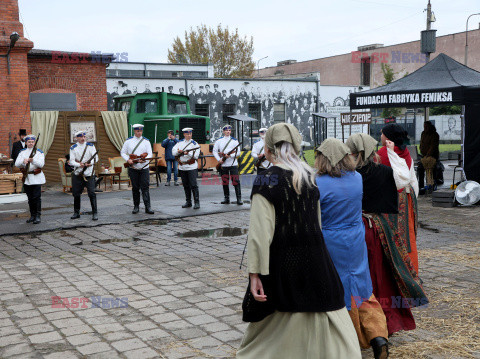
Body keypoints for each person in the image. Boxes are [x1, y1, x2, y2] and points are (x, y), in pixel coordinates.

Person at [236, 123, 360, 359]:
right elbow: (318, 225)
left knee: (275, 323)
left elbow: (261, 233)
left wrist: (255, 273)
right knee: (320, 308)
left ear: (269, 149)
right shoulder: (309, 177)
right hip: (317, 260)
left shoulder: (266, 180)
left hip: (283, 260)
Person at [346, 133, 428, 337]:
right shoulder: (384, 171)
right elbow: (393, 204)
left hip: (356, 227)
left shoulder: (350, 175)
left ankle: (364, 324)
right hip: (379, 227)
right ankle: (385, 322)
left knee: (361, 275)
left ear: (355, 152)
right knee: (381, 274)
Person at [315, 138, 389, 359]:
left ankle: (348, 340)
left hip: (331, 240)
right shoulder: (357, 178)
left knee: (338, 291)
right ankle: (378, 337)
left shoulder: (319, 183)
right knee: (362, 289)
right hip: (355, 239)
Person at [378, 123, 419, 273]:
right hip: (408, 198)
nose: (380, 136)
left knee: (392, 236)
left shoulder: (383, 153)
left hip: (392, 200)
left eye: (382, 133)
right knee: (408, 237)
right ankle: (412, 269)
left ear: (388, 137)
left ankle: (395, 272)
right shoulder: (405, 151)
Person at [121, 124, 154, 214]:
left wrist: (144, 160)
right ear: (134, 131)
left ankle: (148, 207)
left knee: (145, 188)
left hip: (144, 167)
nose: (139, 133)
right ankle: (136, 207)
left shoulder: (146, 141)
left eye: (140, 131)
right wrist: (128, 160)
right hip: (133, 167)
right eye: (137, 131)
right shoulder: (128, 141)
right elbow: (123, 152)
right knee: (135, 188)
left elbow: (150, 154)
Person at [14, 134, 45, 224]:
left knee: (36, 197)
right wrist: (23, 161)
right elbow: (16, 163)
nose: (31, 143)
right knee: (30, 198)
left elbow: (41, 164)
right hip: (27, 177)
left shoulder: (39, 152)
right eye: (29, 142)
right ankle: (32, 215)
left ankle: (38, 216)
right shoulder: (22, 152)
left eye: (32, 142)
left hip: (36, 177)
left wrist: (33, 160)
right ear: (26, 142)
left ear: (34, 142)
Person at [69, 131, 99, 220]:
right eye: (81, 137)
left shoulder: (90, 146)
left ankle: (95, 213)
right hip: (78, 173)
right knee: (76, 194)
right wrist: (79, 165)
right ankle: (76, 212)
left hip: (89, 173)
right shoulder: (73, 147)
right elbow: (71, 161)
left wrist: (91, 163)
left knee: (91, 193)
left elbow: (95, 158)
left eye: (84, 137)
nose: (83, 139)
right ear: (76, 138)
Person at [213, 125, 242, 205]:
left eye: (229, 130)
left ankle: (239, 199)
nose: (228, 132)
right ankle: (226, 198)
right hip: (224, 164)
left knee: (236, 181)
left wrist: (230, 156)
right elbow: (214, 151)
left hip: (233, 164)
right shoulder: (219, 141)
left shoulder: (234, 141)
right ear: (223, 131)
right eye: (226, 130)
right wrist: (219, 159)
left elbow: (238, 152)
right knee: (225, 182)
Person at [171, 128, 200, 209]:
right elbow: (173, 152)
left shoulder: (194, 144)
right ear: (184, 134)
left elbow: (196, 156)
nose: (189, 135)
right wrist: (179, 152)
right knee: (186, 185)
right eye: (187, 134)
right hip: (182, 167)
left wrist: (188, 153)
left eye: (190, 134)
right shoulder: (180, 143)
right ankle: (188, 201)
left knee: (193, 185)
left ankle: (197, 202)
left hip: (191, 167)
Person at [418, 121, 441, 194]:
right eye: (424, 127)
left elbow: (433, 146)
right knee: (420, 169)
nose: (425, 128)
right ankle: (421, 187)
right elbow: (421, 143)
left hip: (432, 157)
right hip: (424, 156)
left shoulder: (435, 135)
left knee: (431, 171)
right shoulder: (423, 133)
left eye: (426, 127)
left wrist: (428, 154)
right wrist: (421, 150)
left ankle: (432, 185)